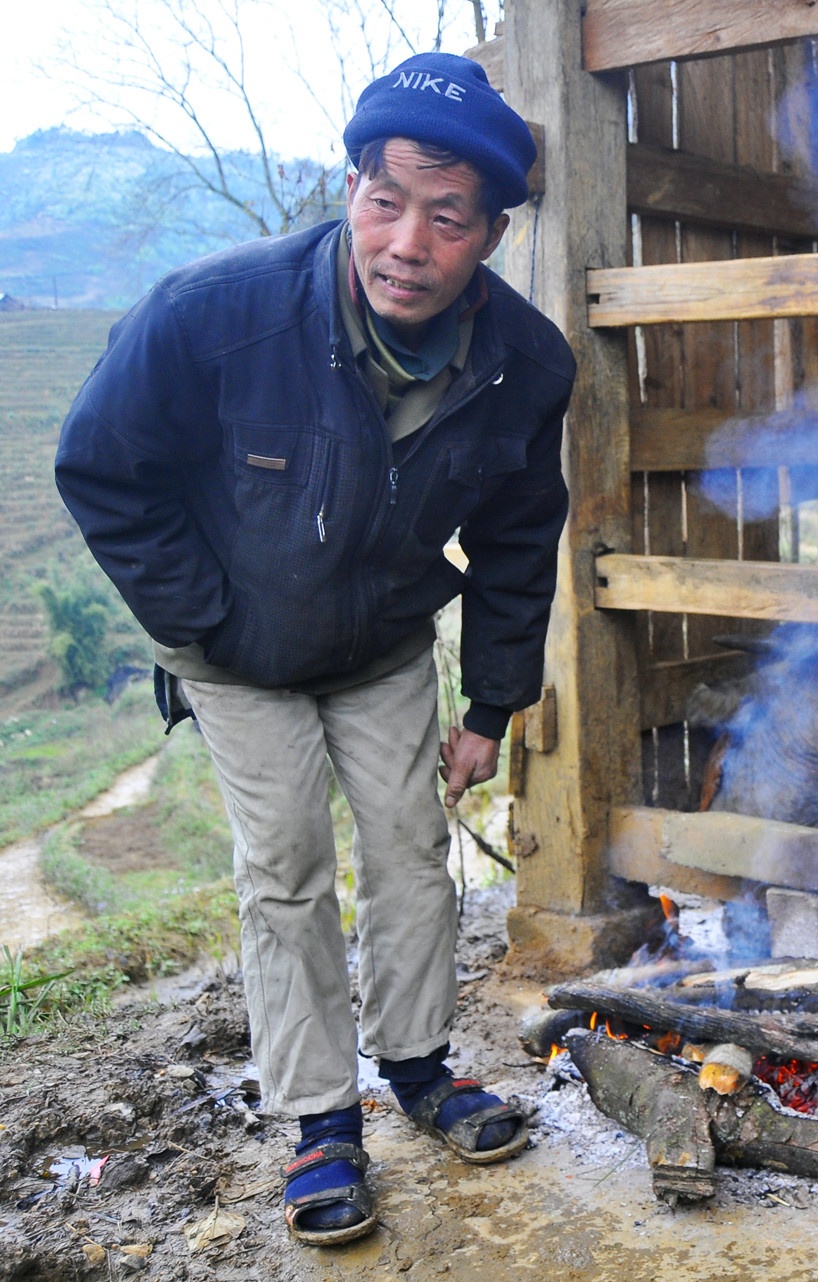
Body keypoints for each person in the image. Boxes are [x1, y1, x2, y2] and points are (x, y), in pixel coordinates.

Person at [54, 52, 573, 1247]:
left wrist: (490, 707)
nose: (407, 244)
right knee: (285, 862)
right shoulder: (214, 314)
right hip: (232, 650)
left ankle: (421, 1066)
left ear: (491, 235)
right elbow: (101, 467)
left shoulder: (524, 364)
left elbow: (517, 540)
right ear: (350, 190)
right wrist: (203, 621)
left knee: (411, 851)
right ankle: (321, 1119)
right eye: (385, 202)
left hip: (382, 642)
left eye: (447, 219)